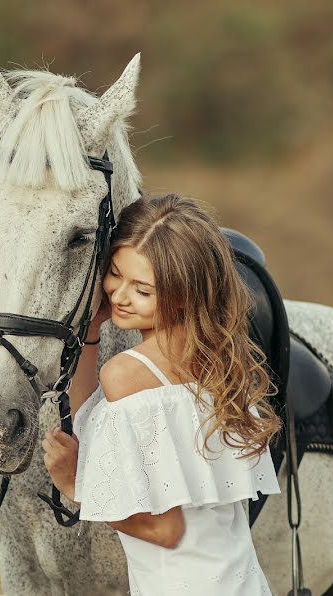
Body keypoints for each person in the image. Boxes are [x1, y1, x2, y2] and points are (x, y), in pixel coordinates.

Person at [42, 194, 282, 595]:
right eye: (116, 274)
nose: (118, 295)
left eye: (142, 289)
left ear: (183, 294)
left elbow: (164, 528)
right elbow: (95, 425)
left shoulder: (129, 372)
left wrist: (75, 488)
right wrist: (91, 333)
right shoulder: (219, 364)